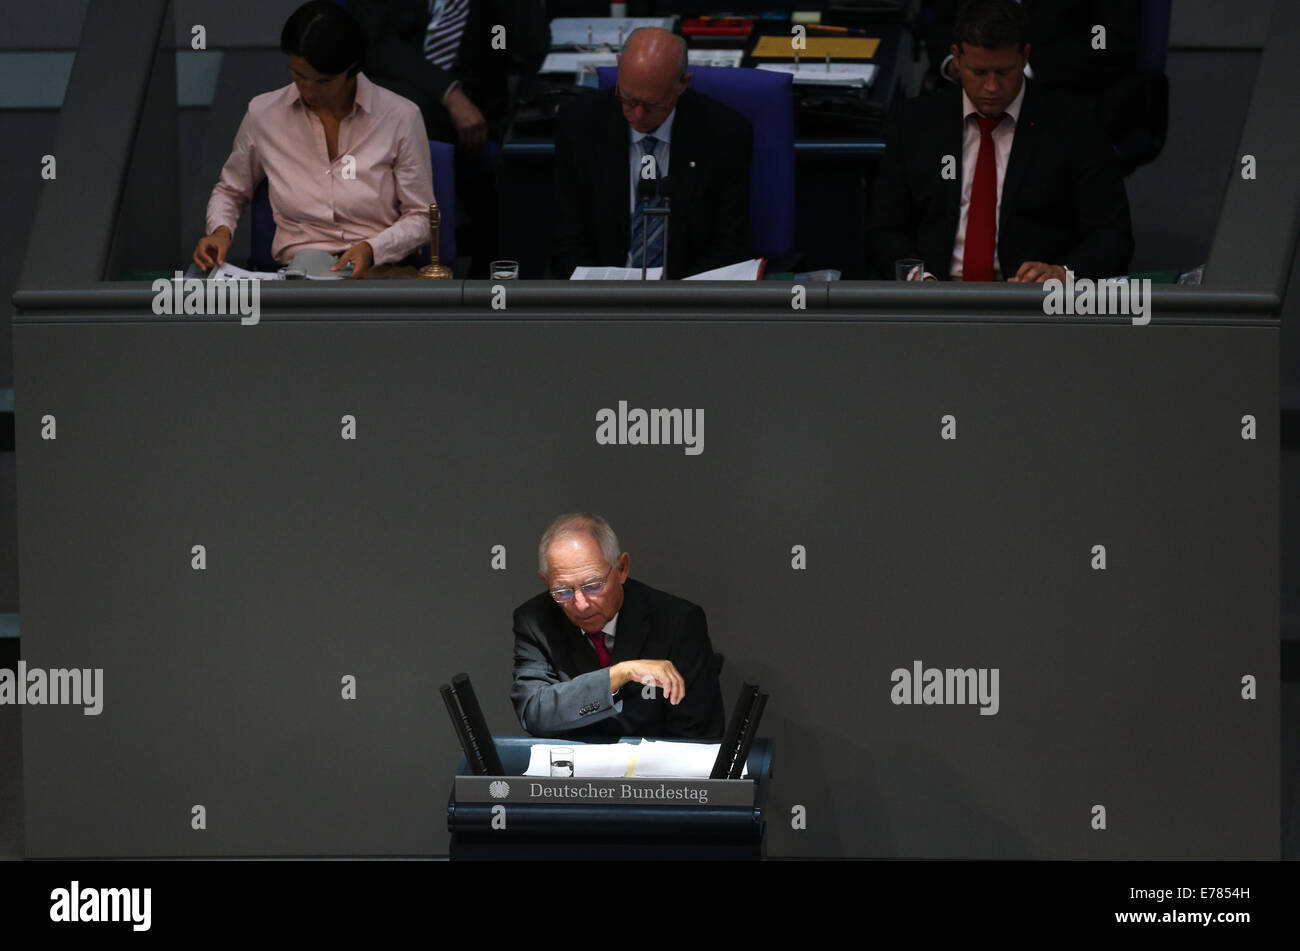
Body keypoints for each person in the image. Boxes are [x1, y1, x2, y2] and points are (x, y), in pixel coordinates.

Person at [869, 0, 1133, 282]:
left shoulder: (1076, 128)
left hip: (1034, 307)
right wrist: (915, 277)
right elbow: (885, 230)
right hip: (935, 302)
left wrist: (1063, 273)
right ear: (956, 59)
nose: (992, 87)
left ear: (1024, 57)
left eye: (1004, 72)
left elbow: (1112, 237)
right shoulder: (914, 124)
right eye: (979, 73)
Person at [193, 1, 434, 279]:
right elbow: (230, 191)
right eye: (299, 75)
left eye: (323, 81)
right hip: (300, 274)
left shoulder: (400, 116)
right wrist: (221, 231)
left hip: (377, 271)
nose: (308, 89)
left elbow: (422, 217)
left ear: (352, 70)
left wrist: (372, 249)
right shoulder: (264, 114)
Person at [349, 0, 550, 277]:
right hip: (396, 92)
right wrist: (447, 92)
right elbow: (374, 44)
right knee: (407, 114)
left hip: (479, 107)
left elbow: (530, 45)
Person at [550, 27, 752, 279]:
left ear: (682, 84)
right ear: (619, 67)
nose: (638, 115)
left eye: (653, 104)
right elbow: (566, 238)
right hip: (603, 294)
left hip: (687, 295)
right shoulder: (580, 124)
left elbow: (728, 244)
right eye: (628, 99)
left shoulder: (725, 134)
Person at [511, 513, 725, 740]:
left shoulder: (678, 621)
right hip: (574, 770)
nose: (581, 604)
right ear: (546, 582)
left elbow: (696, 736)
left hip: (655, 771)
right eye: (562, 591)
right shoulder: (535, 620)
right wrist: (619, 674)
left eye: (593, 585)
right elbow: (534, 712)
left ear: (622, 568)